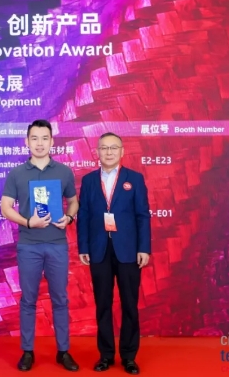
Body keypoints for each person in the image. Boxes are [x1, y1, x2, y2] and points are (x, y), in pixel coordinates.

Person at [1, 119, 80, 372]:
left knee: (60, 299)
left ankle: (63, 351)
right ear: (26, 141)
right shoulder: (17, 173)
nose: (39, 143)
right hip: (29, 245)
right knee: (28, 299)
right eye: (34, 138)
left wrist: (69, 218)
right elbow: (5, 207)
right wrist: (27, 222)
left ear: (52, 141)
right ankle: (27, 351)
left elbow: (73, 201)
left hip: (57, 244)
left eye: (44, 138)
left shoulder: (64, 171)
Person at [77, 132, 151, 375]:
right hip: (99, 249)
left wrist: (144, 248)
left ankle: (129, 356)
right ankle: (106, 355)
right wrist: (84, 247)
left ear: (122, 151)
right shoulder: (89, 180)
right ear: (97, 152)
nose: (108, 152)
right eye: (104, 148)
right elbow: (83, 216)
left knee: (129, 304)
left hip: (128, 250)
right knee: (103, 305)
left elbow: (142, 215)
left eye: (113, 148)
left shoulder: (134, 178)